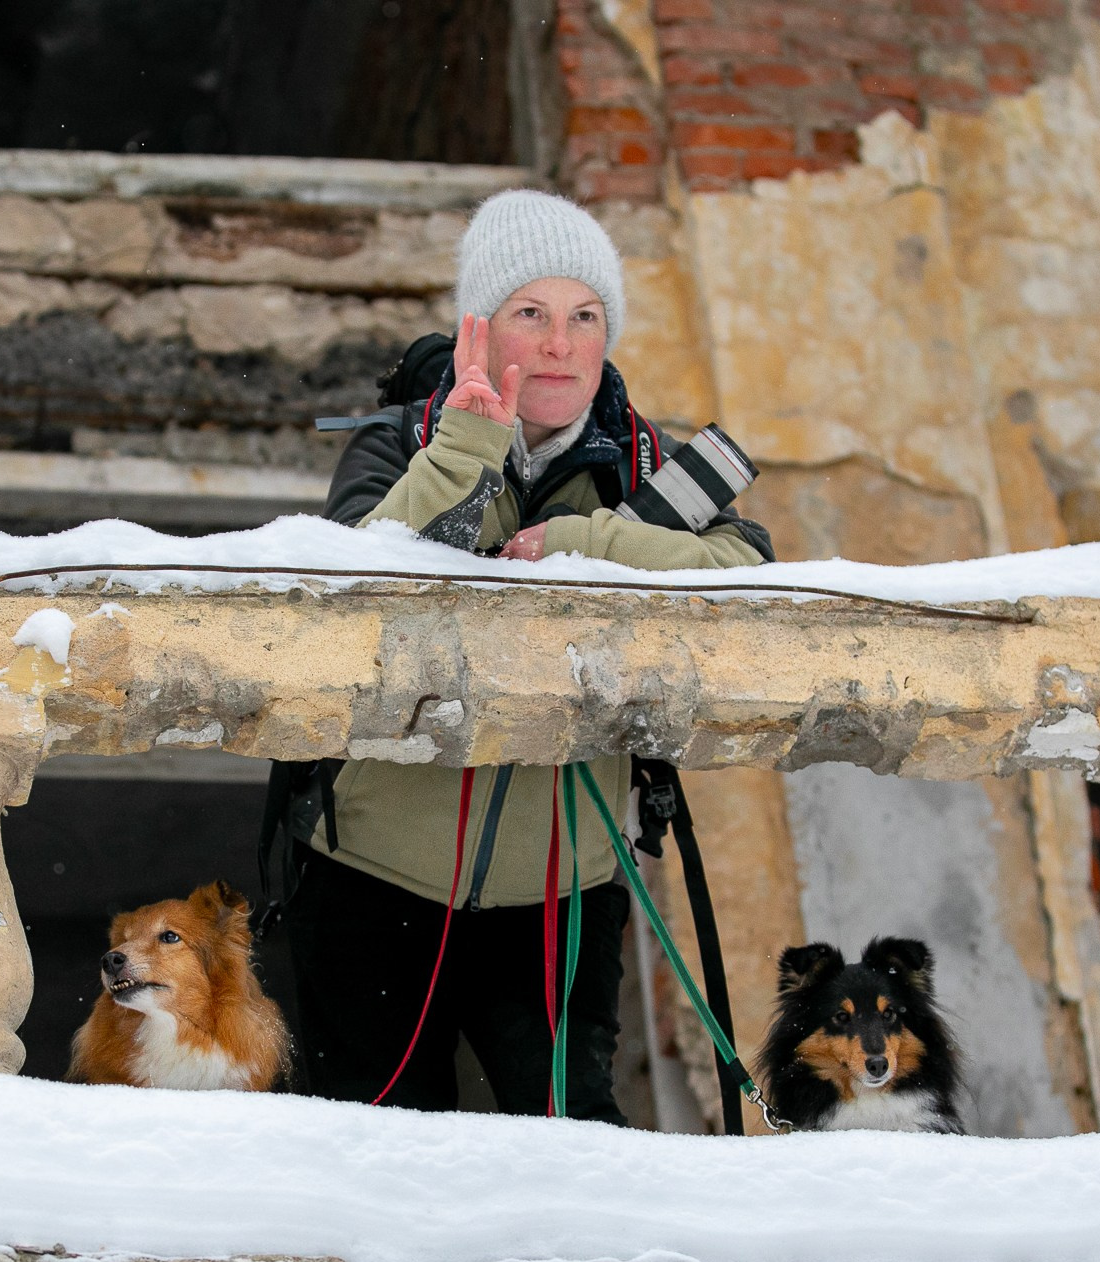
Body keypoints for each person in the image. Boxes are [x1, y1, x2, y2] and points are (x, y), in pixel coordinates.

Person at [280, 189, 774, 1123]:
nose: (559, 344)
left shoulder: (642, 465)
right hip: (375, 873)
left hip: (564, 887)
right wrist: (468, 443)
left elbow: (745, 570)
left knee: (571, 1140)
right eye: (531, 315)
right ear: (482, 329)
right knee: (373, 1138)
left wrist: (589, 542)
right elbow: (357, 578)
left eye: (584, 317)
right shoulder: (403, 439)